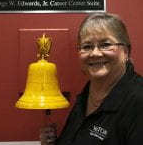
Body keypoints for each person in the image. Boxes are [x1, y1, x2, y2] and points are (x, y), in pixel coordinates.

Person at [39, 12, 143, 145]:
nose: (95, 53)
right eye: (87, 46)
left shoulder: (138, 101)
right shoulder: (85, 98)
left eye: (105, 44)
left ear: (126, 51)